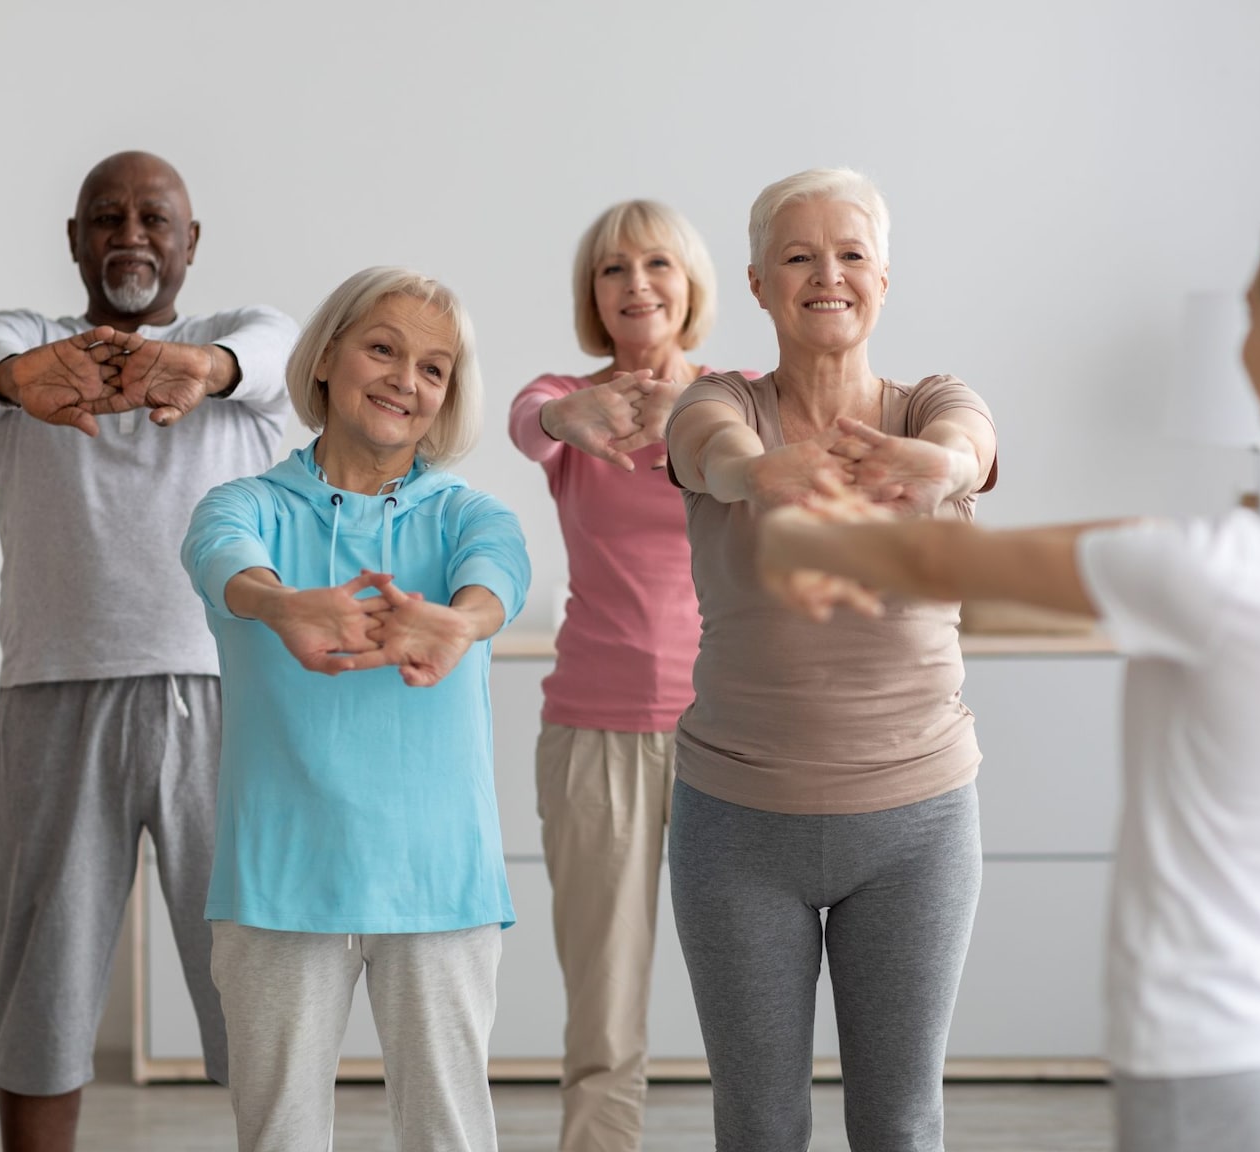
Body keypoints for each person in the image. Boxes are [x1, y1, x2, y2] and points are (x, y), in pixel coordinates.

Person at [757, 186, 1260, 1152]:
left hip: (1230, 1078)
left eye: (1252, 317)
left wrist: (797, 540)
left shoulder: (1215, 575)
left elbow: (932, 560)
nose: (1241, 342)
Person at [0, 151, 298, 1151]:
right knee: (44, 989)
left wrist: (206, 371)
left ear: (190, 244)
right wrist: (22, 380)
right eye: (107, 217)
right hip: (53, 701)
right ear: (74, 240)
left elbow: (277, 349)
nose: (131, 234)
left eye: (154, 218)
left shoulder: (236, 354)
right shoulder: (24, 355)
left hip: (226, 704)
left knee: (255, 981)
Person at [662, 167, 999, 1151]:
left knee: (898, 1121)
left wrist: (936, 469)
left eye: (850, 253)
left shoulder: (929, 404)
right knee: (759, 1123)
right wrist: (763, 473)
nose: (828, 275)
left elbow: (967, 443)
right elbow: (707, 451)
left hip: (915, 824)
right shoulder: (717, 404)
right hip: (735, 826)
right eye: (799, 256)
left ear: (882, 279)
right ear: (759, 284)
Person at [184, 266, 528, 1152]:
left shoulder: (467, 516)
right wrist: (286, 604)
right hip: (280, 879)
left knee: (450, 1135)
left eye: (433, 368)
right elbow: (222, 556)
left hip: (439, 881)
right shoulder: (246, 503)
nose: (404, 381)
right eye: (383, 348)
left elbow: (499, 577)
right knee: (280, 1139)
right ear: (329, 355)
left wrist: (458, 623)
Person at [506, 199, 721, 1152]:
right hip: (595, 731)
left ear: (691, 285)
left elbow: (783, 465)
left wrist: (698, 418)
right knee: (604, 1005)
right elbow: (527, 421)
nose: (637, 285)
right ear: (593, 295)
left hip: (733, 732)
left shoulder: (739, 396)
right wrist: (569, 411)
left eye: (658, 265)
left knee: (753, 996)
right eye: (613, 270)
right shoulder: (564, 399)